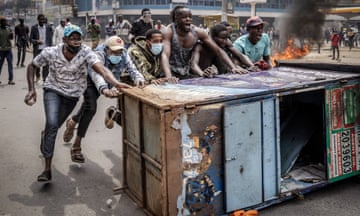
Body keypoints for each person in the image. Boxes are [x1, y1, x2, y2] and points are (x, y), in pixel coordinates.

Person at [24, 25, 131, 182]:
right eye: (72, 38)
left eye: (78, 38)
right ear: (64, 40)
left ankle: (46, 134)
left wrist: (116, 83)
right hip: (52, 90)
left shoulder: (86, 52)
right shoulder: (51, 52)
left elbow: (101, 70)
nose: (76, 41)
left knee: (53, 127)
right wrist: (31, 89)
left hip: (72, 96)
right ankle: (47, 170)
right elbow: (32, 66)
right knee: (53, 124)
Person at [62, 35, 145, 164]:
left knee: (87, 106)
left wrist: (139, 80)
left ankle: (73, 122)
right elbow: (97, 74)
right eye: (114, 51)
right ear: (106, 49)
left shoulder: (123, 54)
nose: (118, 54)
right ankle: (76, 146)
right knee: (91, 108)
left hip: (110, 80)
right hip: (89, 79)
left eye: (119, 51)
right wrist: (104, 89)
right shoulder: (98, 54)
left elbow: (132, 68)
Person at [161, 5, 245, 80]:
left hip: (187, 72)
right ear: (176, 19)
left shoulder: (198, 32)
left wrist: (233, 68)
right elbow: (165, 55)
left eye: (190, 17)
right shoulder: (169, 32)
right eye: (184, 17)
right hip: (169, 71)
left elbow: (218, 50)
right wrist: (169, 77)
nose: (188, 19)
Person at [191, 24, 259, 78]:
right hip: (197, 75)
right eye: (222, 38)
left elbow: (240, 55)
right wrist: (202, 74)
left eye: (226, 38)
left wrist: (251, 66)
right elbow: (193, 65)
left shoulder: (225, 43)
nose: (225, 41)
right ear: (212, 37)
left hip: (212, 74)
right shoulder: (200, 46)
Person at [29, 14, 53, 82]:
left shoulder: (48, 27)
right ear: (38, 20)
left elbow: (50, 38)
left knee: (46, 66)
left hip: (46, 49)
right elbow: (30, 39)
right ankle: (38, 76)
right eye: (41, 19)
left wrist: (51, 48)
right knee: (37, 64)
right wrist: (36, 41)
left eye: (43, 19)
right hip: (37, 49)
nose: (42, 21)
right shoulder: (34, 28)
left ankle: (45, 78)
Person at [0, 16, 15, 85]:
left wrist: (12, 35)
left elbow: (11, 38)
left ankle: (10, 79)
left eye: (5, 21)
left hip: (8, 49)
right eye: (3, 21)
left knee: (10, 64)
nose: (5, 23)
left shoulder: (8, 29)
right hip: (1, 50)